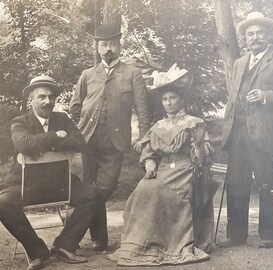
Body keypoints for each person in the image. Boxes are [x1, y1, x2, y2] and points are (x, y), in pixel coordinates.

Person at [107, 64, 218, 266]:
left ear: (181, 99)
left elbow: (203, 160)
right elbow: (150, 153)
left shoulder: (194, 123)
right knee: (143, 190)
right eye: (165, 99)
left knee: (165, 192)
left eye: (173, 98)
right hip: (162, 169)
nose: (168, 103)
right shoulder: (158, 126)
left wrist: (200, 144)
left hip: (186, 169)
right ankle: (144, 244)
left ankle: (175, 244)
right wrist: (150, 167)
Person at [0, 75, 100, 270]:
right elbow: (24, 144)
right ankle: (36, 251)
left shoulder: (62, 118)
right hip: (25, 183)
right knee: (2, 203)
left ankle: (64, 245)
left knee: (92, 195)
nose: (48, 102)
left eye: (51, 97)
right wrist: (56, 135)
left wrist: (43, 146)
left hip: (58, 182)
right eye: (42, 97)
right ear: (31, 99)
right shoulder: (19, 122)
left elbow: (79, 142)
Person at [219, 12, 273, 249]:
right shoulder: (239, 63)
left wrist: (266, 96)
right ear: (244, 38)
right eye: (250, 34)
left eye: (259, 33)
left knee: (267, 183)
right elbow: (233, 98)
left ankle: (269, 234)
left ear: (269, 36)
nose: (255, 38)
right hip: (238, 135)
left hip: (265, 134)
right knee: (236, 183)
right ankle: (236, 235)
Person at [69, 24, 152, 251]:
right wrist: (81, 128)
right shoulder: (88, 75)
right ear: (97, 47)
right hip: (89, 141)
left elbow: (143, 109)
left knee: (104, 188)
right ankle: (99, 239)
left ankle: (69, 237)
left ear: (119, 46)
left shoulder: (132, 73)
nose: (108, 49)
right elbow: (75, 107)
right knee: (90, 190)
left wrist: (144, 139)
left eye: (112, 44)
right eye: (104, 44)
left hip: (115, 141)